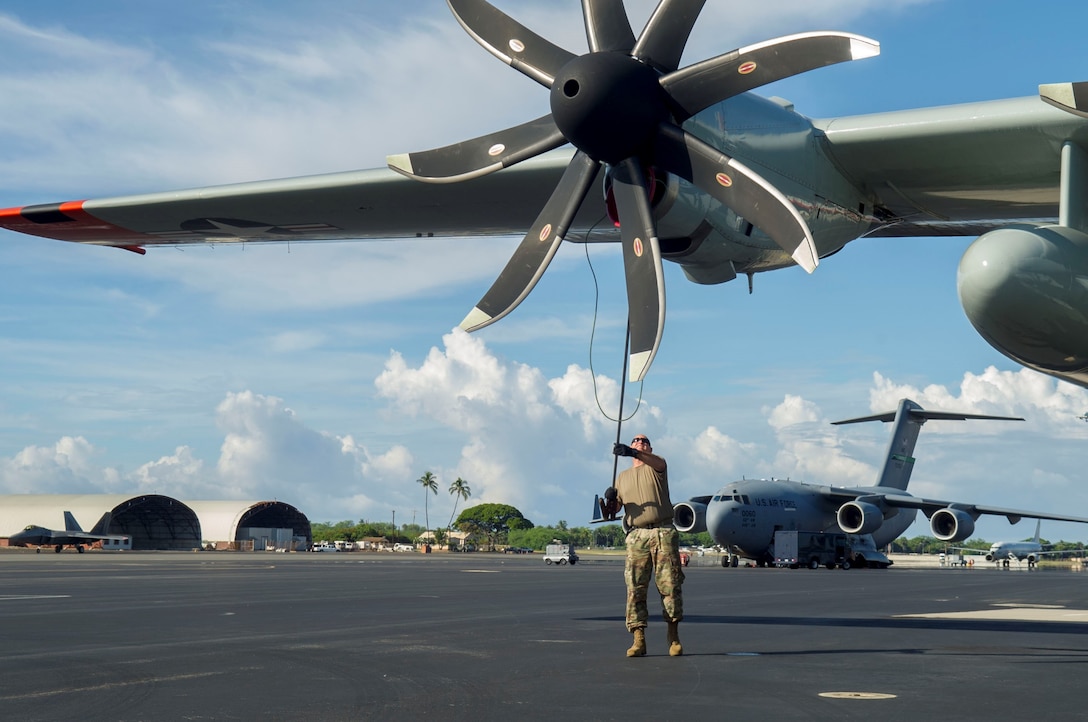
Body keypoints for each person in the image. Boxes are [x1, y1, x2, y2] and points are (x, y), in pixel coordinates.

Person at [609, 434, 684, 658]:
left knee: (669, 586)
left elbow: (660, 463)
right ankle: (638, 638)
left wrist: (633, 453)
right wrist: (611, 500)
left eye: (644, 441)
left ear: (649, 448)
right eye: (635, 441)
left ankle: (673, 635)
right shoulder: (622, 477)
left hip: (662, 531)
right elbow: (614, 511)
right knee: (635, 587)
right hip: (637, 534)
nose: (640, 442)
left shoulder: (656, 467)